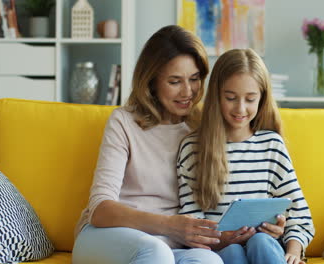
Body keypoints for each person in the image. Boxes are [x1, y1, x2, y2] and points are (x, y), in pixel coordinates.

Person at [72, 25, 223, 264]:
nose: (188, 92)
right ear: (151, 82)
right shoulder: (124, 122)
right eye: (175, 81)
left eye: (194, 79)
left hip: (173, 245)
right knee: (156, 252)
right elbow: (100, 209)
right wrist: (169, 225)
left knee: (210, 261)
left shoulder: (203, 128)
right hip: (107, 236)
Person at [177, 48, 315, 264]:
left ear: (262, 98)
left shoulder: (271, 145)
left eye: (250, 99)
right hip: (220, 253)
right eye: (230, 97)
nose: (240, 108)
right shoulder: (192, 149)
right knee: (233, 252)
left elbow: (300, 215)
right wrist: (223, 240)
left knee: (260, 241)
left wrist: (293, 252)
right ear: (216, 96)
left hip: (266, 249)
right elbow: (191, 225)